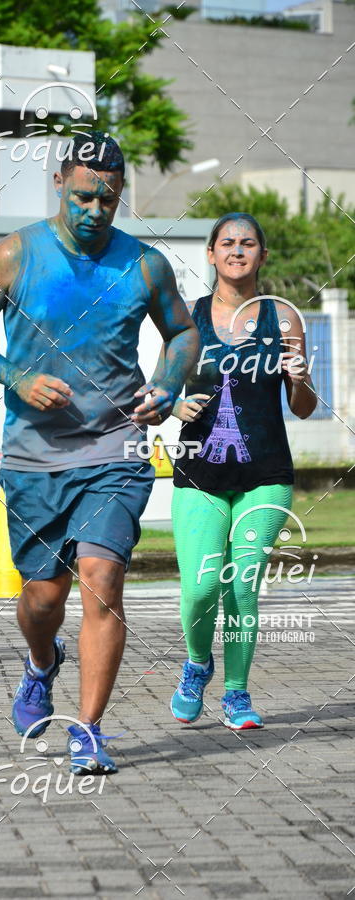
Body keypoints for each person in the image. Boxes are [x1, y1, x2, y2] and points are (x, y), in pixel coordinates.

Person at [0, 131, 199, 773]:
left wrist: (167, 387)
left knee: (102, 579)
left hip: (117, 447)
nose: (94, 210)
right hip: (34, 455)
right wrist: (17, 377)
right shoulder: (15, 254)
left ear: (121, 196)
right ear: (59, 184)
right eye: (84, 196)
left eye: (107, 200)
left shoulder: (145, 264)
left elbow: (182, 332)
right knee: (42, 597)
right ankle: (42, 661)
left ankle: (87, 729)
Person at [168, 212, 317, 729]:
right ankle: (197, 663)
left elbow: (303, 407)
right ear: (211, 254)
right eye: (227, 242)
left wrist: (299, 379)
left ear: (262, 255)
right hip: (199, 472)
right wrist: (174, 406)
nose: (237, 250)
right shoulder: (186, 318)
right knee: (201, 588)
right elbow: (161, 386)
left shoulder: (284, 318)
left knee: (242, 585)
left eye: (248, 243)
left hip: (266, 473)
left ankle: (236, 693)